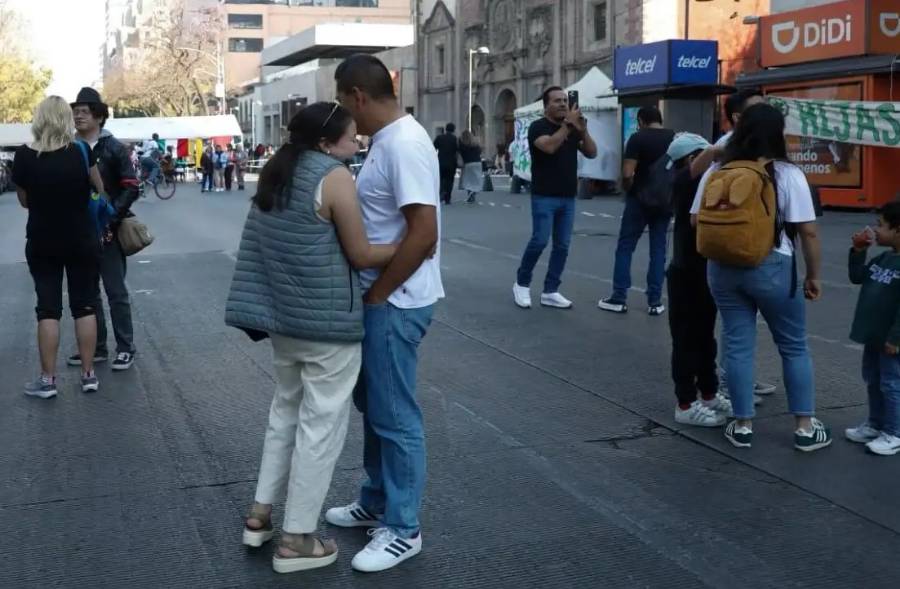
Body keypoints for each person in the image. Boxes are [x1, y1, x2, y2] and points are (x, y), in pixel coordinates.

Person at [227, 102, 397, 573]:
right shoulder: (334, 177)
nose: (358, 141)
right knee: (320, 428)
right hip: (328, 326)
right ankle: (298, 538)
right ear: (325, 143)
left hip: (284, 323)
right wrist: (411, 245)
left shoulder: (276, 174)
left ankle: (260, 515)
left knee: (284, 414)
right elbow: (361, 253)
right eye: (350, 136)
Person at [324, 54, 443, 573]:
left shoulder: (405, 144)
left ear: (358, 96)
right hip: (382, 296)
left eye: (341, 100)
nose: (340, 111)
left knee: (395, 416)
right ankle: (377, 501)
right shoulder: (386, 142)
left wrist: (380, 294)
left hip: (396, 300)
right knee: (376, 408)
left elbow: (424, 232)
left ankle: (403, 528)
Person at [690, 103, 831, 452]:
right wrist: (814, 275)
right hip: (772, 266)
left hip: (722, 269)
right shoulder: (787, 173)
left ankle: (742, 425)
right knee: (793, 345)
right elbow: (808, 232)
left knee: (738, 345)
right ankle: (804, 428)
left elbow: (695, 220)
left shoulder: (719, 169)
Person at [12, 96, 106, 398]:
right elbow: (99, 189)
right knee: (85, 305)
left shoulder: (24, 156)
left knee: (48, 309)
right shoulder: (81, 151)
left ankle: (48, 380)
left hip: (42, 239)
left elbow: (24, 201)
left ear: (39, 119)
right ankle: (89, 375)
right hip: (81, 238)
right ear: (66, 119)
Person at [67, 86, 141, 372]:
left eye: (84, 112)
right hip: (80, 230)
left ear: (99, 116)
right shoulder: (69, 147)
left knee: (115, 291)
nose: (78, 116)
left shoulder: (114, 147)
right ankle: (97, 348)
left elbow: (131, 186)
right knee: (88, 293)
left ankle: (125, 348)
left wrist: (111, 219)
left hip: (109, 229)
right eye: (76, 112)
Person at [664, 133, 733, 427]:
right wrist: (717, 149)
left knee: (706, 338)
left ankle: (708, 393)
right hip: (684, 273)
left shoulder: (708, 184)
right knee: (685, 340)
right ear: (693, 159)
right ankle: (685, 403)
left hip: (705, 271)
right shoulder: (682, 181)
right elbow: (696, 167)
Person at [513, 86, 597, 310]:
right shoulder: (538, 127)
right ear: (546, 106)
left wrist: (583, 130)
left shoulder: (572, 128)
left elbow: (592, 152)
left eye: (565, 100)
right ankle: (521, 283)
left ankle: (550, 290)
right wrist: (567, 125)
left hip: (567, 197)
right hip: (544, 195)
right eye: (557, 101)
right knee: (540, 240)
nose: (562, 104)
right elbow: (549, 147)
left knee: (562, 246)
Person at [598, 106, 674, 316]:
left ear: (640, 121)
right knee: (658, 249)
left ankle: (619, 297)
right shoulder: (674, 138)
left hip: (639, 199)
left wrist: (629, 188)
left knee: (626, 247)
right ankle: (655, 301)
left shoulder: (637, 138)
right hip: (664, 201)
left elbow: (627, 172)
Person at [845, 202, 900, 456]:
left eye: (881, 225)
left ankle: (894, 432)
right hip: (875, 336)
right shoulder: (883, 258)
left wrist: (895, 338)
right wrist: (858, 251)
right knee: (874, 380)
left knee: (891, 383)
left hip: (891, 340)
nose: (875, 230)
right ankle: (876, 424)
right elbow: (857, 276)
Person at [433, 122, 458, 205]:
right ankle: (448, 198)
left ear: (445, 129)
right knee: (450, 180)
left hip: (441, 162)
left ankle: (441, 192)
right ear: (453, 130)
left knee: (441, 179)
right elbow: (457, 150)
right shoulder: (454, 139)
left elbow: (433, 147)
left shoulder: (439, 137)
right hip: (451, 162)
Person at [458, 130, 483, 204]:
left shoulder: (461, 144)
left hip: (468, 163)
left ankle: (470, 194)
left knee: (468, 180)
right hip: (477, 162)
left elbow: (459, 153)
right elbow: (480, 151)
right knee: (476, 179)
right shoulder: (475, 143)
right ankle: (474, 192)